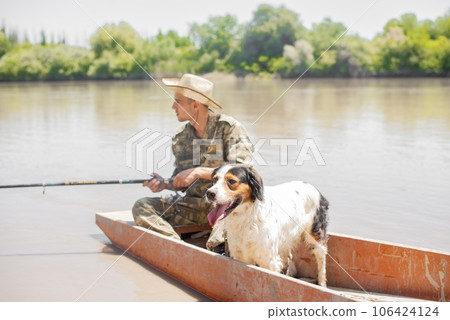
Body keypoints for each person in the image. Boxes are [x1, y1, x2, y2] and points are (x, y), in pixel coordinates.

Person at [132, 74, 254, 250]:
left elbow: (243, 170)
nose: (173, 106)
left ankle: (217, 247)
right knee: (141, 206)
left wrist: (197, 171)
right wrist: (165, 184)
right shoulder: (180, 138)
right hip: (196, 207)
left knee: (217, 241)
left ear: (195, 105)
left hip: (227, 208)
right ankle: (177, 248)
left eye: (178, 101)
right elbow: (182, 181)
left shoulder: (229, 128)